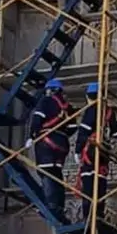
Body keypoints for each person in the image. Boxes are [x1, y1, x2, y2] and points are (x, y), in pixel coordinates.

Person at [75, 82, 117, 226]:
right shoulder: (108, 111)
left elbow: (84, 131)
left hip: (91, 150)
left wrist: (77, 150)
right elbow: (116, 133)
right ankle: (99, 214)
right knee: (100, 183)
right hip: (104, 151)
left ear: (88, 97)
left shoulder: (91, 109)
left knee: (88, 183)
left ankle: (88, 216)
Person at [25, 78, 77, 221]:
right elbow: (73, 128)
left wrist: (32, 135)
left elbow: (37, 119)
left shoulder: (46, 102)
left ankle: (51, 204)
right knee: (56, 174)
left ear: (50, 90)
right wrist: (62, 134)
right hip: (62, 144)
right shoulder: (67, 107)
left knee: (46, 172)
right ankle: (59, 204)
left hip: (46, 142)